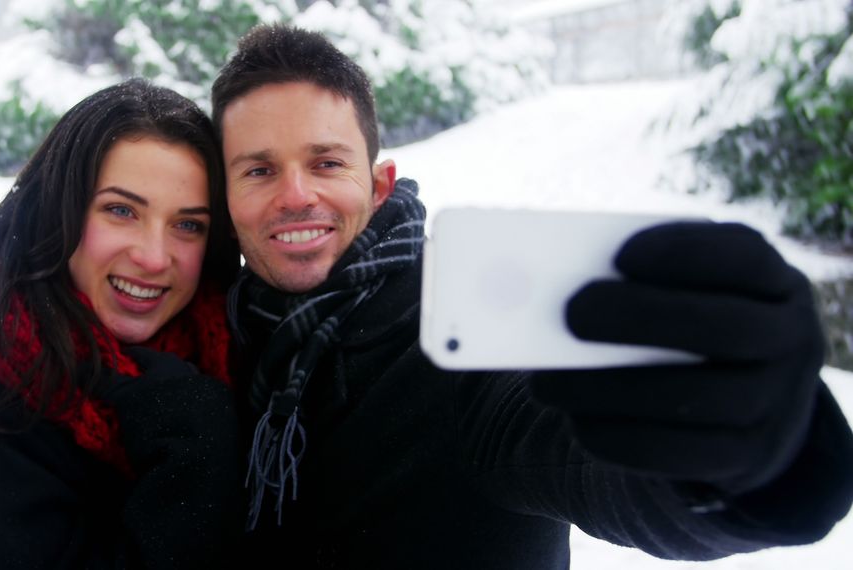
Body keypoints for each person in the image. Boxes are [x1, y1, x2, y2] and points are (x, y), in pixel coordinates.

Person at [211, 24, 853, 568]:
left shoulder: (468, 336)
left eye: (327, 162)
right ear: (225, 198)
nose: (295, 194)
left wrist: (753, 448)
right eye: (260, 170)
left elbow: (583, 456)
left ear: (380, 185)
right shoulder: (208, 339)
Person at [0, 78, 245, 568]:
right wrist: (198, 451)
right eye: (120, 211)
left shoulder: (234, 353)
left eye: (188, 225)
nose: (152, 256)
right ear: (59, 212)